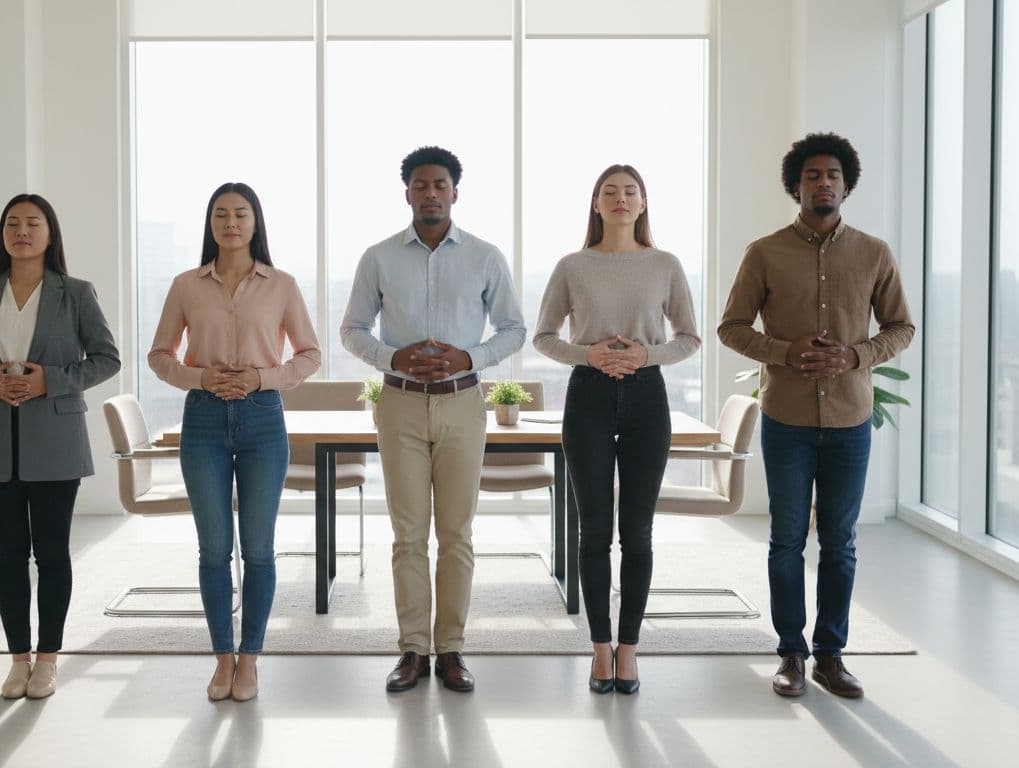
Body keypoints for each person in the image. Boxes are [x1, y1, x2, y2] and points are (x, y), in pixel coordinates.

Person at [718, 133, 915, 699]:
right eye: (811, 176)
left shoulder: (874, 253)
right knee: (785, 540)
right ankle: (790, 655)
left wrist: (857, 355)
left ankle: (831, 655)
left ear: (846, 184)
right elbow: (731, 327)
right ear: (795, 186)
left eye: (832, 174)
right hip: (786, 419)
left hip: (851, 420)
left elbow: (901, 326)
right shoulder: (765, 251)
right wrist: (784, 351)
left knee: (840, 541)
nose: (822, 183)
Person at [342, 145, 526, 693]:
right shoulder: (377, 257)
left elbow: (514, 329)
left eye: (439, 185)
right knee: (406, 535)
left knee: (457, 534)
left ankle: (451, 650)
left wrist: (469, 357)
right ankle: (412, 651)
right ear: (407, 193)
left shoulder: (486, 256)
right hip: (398, 402)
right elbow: (352, 330)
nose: (430, 194)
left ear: (454, 193)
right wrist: (391, 357)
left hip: (463, 403)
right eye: (420, 185)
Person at [0, 193, 121, 700]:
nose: (21, 231)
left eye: (32, 223)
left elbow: (107, 359)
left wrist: (51, 381)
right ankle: (18, 660)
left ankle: (49, 659)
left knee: (54, 554)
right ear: (2, 235)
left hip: (57, 441)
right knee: (8, 556)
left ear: (49, 233)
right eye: (12, 223)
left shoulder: (75, 293)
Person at [532, 164, 701, 694]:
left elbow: (690, 338)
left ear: (644, 203)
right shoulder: (572, 266)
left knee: (638, 533)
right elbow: (543, 336)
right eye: (610, 192)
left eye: (630, 192)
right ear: (596, 204)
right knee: (594, 531)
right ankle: (599, 649)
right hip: (588, 396)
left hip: (648, 397)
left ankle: (630, 651)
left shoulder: (665, 265)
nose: (620, 199)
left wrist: (647, 355)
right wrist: (590, 354)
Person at [149, 182, 320, 703]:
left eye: (240, 214)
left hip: (263, 421)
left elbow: (309, 355)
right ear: (210, 224)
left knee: (260, 550)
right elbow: (160, 356)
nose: (230, 223)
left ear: (255, 222)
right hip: (202, 422)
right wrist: (200, 378)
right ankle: (222, 657)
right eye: (221, 214)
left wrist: (262, 379)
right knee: (214, 550)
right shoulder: (185, 285)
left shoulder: (282, 285)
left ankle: (250, 661)